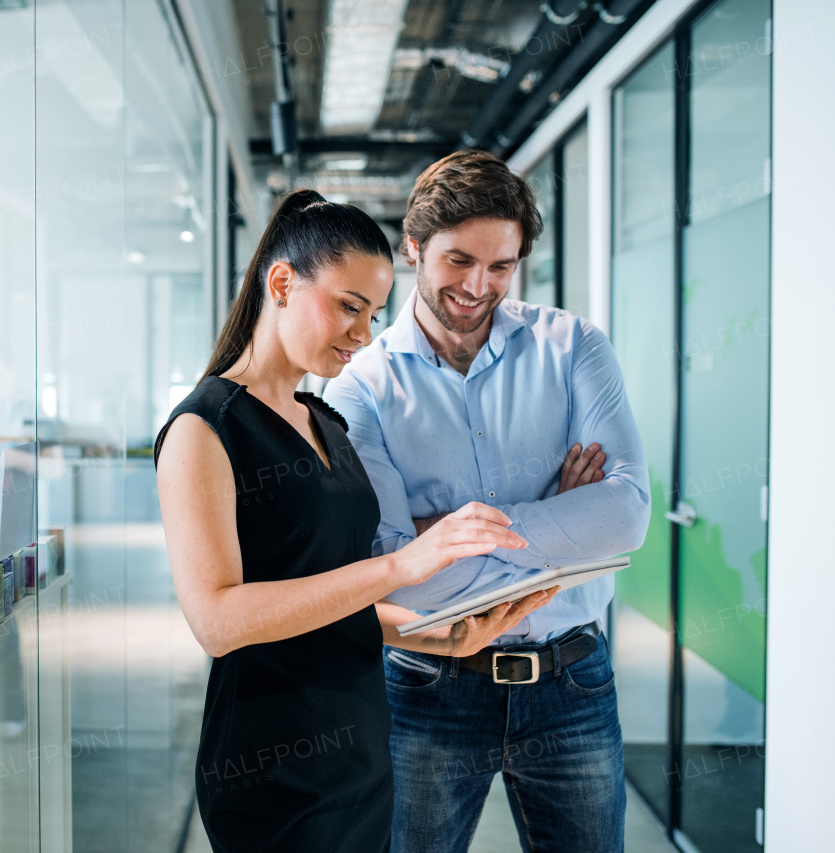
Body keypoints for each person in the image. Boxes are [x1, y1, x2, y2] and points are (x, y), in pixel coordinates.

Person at [154, 188, 558, 853]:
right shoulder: (205, 429)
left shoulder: (327, 422)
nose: (362, 335)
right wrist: (398, 568)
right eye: (348, 307)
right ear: (281, 282)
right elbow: (218, 621)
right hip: (273, 769)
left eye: (372, 314)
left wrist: (438, 636)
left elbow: (327, 602)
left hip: (363, 753)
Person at [323, 150, 651, 853]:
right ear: (414, 248)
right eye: (459, 260)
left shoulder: (575, 347)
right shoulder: (360, 390)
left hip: (574, 683)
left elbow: (624, 515)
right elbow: (392, 568)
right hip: (427, 689)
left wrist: (444, 535)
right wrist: (564, 521)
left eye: (501, 266)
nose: (479, 286)